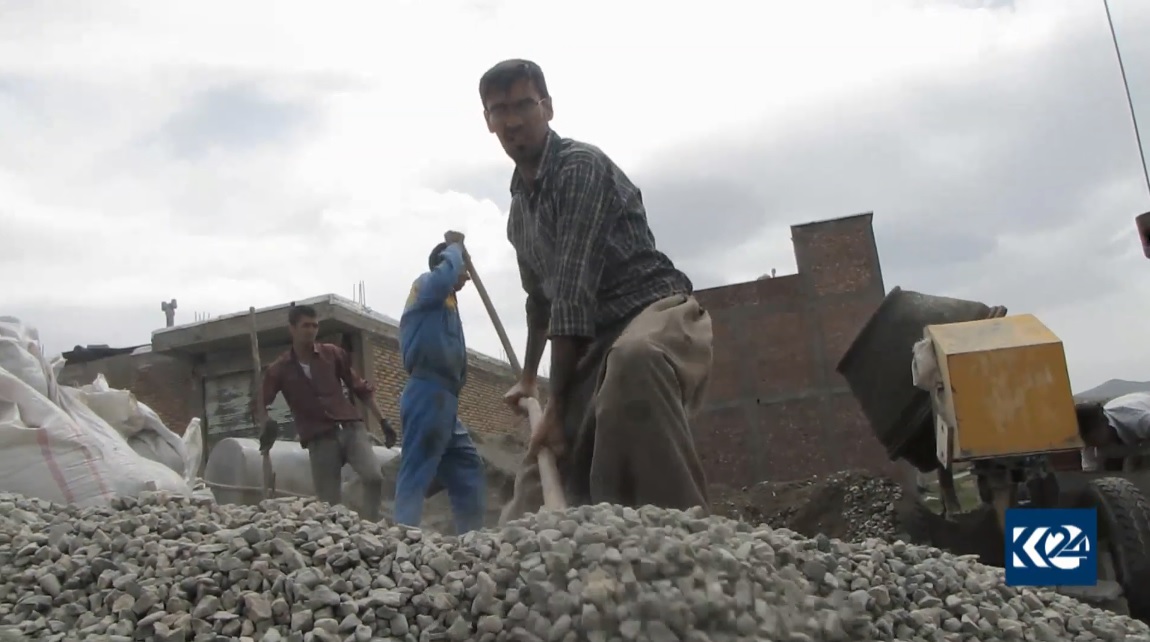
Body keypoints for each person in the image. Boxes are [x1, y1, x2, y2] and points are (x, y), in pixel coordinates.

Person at [477, 59, 713, 521]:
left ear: (547, 107)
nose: (512, 120)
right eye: (498, 110)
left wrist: (558, 405)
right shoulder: (518, 213)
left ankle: (685, 541)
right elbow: (539, 303)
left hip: (654, 313)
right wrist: (528, 379)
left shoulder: (579, 168)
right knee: (529, 503)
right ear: (488, 121)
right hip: (593, 346)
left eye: (524, 104)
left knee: (634, 364)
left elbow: (571, 292)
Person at [256, 304, 385, 520]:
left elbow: (360, 387)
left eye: (315, 325)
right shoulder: (279, 368)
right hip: (319, 438)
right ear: (292, 329)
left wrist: (383, 421)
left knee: (374, 477)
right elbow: (260, 402)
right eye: (306, 325)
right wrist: (265, 422)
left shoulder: (332, 354)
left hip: (350, 428)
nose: (311, 330)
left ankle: (371, 527)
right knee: (329, 503)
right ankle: (341, 540)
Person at [394, 234, 487, 533]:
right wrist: (456, 249)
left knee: (467, 465)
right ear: (446, 263)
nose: (466, 276)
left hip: (445, 399)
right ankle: (402, 540)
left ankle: (471, 538)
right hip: (426, 392)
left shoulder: (447, 304)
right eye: (463, 269)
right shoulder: (426, 287)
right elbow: (444, 277)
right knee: (416, 470)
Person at [1077, 392, 1150, 472]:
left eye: (1089, 435)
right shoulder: (1089, 445)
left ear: (1104, 421)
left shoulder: (1139, 420)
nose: (1086, 441)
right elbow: (1091, 473)